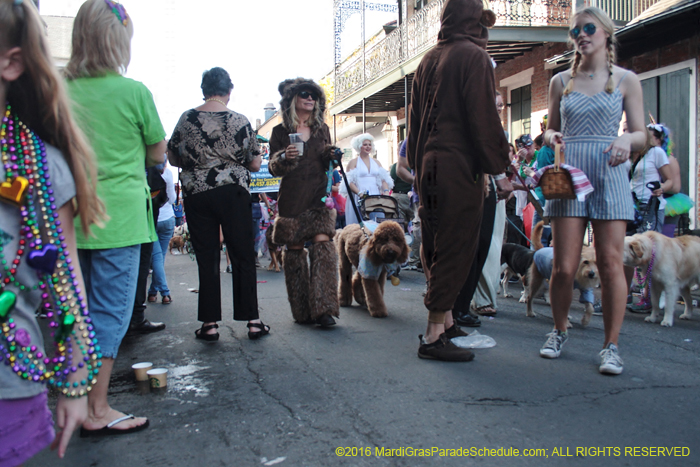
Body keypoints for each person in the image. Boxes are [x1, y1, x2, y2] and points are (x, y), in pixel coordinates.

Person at [0, 0, 104, 461]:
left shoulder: (36, 166)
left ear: (11, 60)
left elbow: (63, 279)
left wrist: (76, 381)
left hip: (8, 389)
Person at [65, 0, 168, 436]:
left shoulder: (58, 89)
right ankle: (97, 408)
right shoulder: (135, 92)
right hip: (121, 219)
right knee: (109, 316)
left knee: (74, 312)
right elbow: (159, 153)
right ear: (119, 41)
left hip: (68, 217)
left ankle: (72, 400)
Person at [542, 6, 647, 375]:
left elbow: (642, 134)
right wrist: (551, 135)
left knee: (609, 263)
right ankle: (558, 329)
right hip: (568, 174)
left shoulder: (626, 79)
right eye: (575, 32)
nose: (581, 35)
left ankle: (611, 345)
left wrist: (625, 139)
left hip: (611, 172)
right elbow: (549, 130)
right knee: (564, 266)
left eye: (589, 29)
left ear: (606, 33)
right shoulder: (560, 82)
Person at [407, 0, 511, 361]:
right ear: (476, 20)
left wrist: (419, 169)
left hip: (430, 165)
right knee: (456, 246)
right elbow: (484, 120)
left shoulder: (429, 59)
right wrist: (500, 168)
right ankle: (435, 334)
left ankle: (447, 320)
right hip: (459, 166)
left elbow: (415, 121)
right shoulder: (474, 57)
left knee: (435, 244)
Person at [168, 67, 268, 341]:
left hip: (197, 193)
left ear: (203, 89)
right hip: (233, 192)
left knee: (207, 256)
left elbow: (174, 158)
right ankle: (253, 321)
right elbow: (255, 161)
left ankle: (210, 324)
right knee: (242, 255)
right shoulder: (239, 120)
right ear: (229, 91)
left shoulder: (187, 119)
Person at [268, 78, 340, 327]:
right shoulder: (279, 132)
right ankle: (302, 310)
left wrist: (331, 154)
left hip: (318, 196)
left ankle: (325, 309)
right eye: (304, 94)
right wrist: (283, 157)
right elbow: (272, 167)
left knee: (324, 245)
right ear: (292, 100)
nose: (310, 99)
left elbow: (327, 157)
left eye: (314, 96)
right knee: (295, 251)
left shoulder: (322, 128)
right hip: (292, 197)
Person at [625, 124, 673, 312]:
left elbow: (670, 181)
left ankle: (649, 298)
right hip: (631, 206)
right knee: (628, 251)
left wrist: (662, 188)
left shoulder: (656, 153)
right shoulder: (628, 155)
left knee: (649, 253)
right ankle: (626, 294)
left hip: (650, 206)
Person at [342, 133, 393, 225]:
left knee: (377, 222)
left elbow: (383, 179)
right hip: (360, 196)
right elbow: (349, 182)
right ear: (359, 146)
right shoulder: (353, 162)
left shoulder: (376, 162)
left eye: (369, 144)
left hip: (375, 196)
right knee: (360, 223)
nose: (368, 147)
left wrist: (385, 191)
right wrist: (359, 193)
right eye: (365, 144)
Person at [147, 162, 177, 305]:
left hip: (152, 219)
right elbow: (172, 199)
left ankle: (164, 293)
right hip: (168, 219)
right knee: (160, 258)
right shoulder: (168, 174)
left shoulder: (146, 172)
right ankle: (153, 292)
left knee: (156, 259)